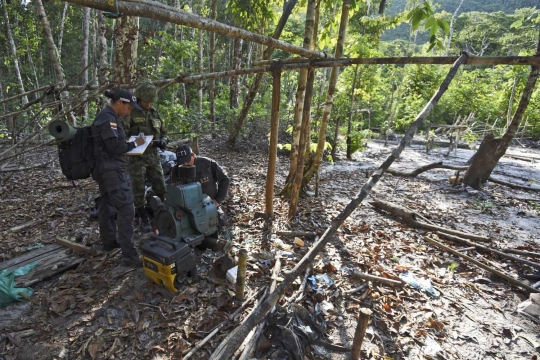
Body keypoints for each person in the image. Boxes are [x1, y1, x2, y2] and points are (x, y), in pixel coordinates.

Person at [92, 89, 146, 268]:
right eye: (129, 108)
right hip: (111, 170)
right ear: (120, 103)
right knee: (126, 209)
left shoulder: (109, 116)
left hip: (106, 169)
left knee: (106, 204)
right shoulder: (108, 119)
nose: (129, 112)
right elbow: (115, 147)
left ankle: (109, 241)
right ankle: (129, 255)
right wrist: (134, 144)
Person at [123, 82, 168, 232]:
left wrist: (163, 141)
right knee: (138, 189)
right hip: (137, 158)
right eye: (146, 101)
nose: (149, 104)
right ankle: (142, 217)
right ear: (139, 99)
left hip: (153, 157)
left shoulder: (155, 113)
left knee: (160, 185)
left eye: (151, 101)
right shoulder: (131, 113)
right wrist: (135, 142)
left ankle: (161, 213)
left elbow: (164, 132)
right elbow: (123, 134)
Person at [173, 145, 230, 237]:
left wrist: (217, 200)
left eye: (187, 161)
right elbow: (174, 190)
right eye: (182, 162)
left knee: (220, 224)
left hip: (209, 204)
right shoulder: (176, 170)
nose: (186, 164)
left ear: (193, 155)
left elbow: (225, 180)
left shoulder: (208, 163)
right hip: (187, 207)